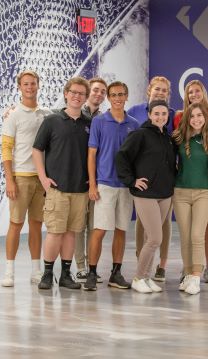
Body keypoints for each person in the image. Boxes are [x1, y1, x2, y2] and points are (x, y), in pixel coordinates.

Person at [32, 77, 91, 290]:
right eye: (73, 92)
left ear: (85, 98)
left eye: (81, 94)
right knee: (55, 232)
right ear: (66, 93)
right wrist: (43, 178)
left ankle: (66, 275)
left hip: (80, 189)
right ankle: (47, 274)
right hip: (57, 188)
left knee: (71, 233)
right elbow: (37, 149)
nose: (77, 96)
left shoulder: (89, 123)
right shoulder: (52, 120)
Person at [82, 81, 139, 291]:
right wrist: (93, 184)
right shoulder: (99, 122)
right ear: (108, 98)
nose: (117, 98)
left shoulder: (134, 124)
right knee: (99, 230)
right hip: (105, 184)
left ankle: (116, 273)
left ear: (126, 96)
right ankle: (92, 272)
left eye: (121, 94)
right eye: (113, 95)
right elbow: (91, 155)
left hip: (125, 185)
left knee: (121, 229)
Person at [116, 100, 176, 293]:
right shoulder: (140, 134)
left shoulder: (168, 138)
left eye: (164, 114)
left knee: (152, 237)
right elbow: (122, 157)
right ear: (149, 115)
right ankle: (138, 277)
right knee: (155, 238)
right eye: (156, 113)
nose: (160, 117)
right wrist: (131, 181)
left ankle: (147, 278)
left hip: (165, 194)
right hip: (146, 194)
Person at [0, 70, 52, 287]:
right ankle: (9, 272)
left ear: (38, 85)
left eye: (33, 83)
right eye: (25, 84)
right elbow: (6, 148)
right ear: (19, 87)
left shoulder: (47, 114)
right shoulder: (13, 115)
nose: (30, 87)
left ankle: (36, 271)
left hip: (41, 178)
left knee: (36, 225)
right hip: (20, 177)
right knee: (15, 224)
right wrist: (9, 180)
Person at [127, 76, 175, 282]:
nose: (160, 93)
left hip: (164, 183)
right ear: (149, 90)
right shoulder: (135, 112)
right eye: (157, 89)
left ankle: (160, 266)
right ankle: (142, 267)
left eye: (164, 90)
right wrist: (132, 178)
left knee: (163, 226)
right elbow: (128, 149)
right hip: (144, 184)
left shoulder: (172, 115)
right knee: (145, 226)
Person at [172, 80, 208, 284]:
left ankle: (199, 273)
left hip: (204, 190)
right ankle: (188, 270)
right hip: (181, 191)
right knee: (186, 235)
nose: (196, 119)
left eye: (200, 116)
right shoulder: (179, 134)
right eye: (193, 116)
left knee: (199, 233)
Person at [75, 77, 107, 284]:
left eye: (103, 91)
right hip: (78, 180)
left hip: (97, 181)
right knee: (79, 226)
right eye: (96, 90)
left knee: (95, 226)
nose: (99, 94)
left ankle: (91, 267)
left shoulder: (104, 119)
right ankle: (80, 267)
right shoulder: (76, 114)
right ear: (88, 92)